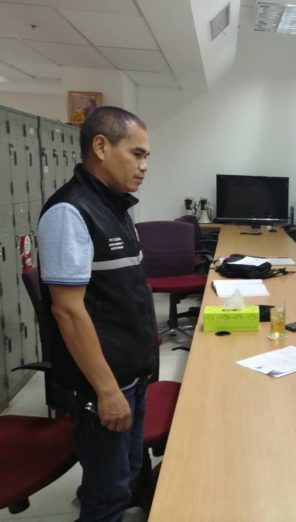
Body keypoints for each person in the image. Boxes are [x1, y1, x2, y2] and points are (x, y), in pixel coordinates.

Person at [36, 106, 155, 521]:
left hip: (131, 373)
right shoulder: (71, 212)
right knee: (108, 496)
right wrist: (106, 392)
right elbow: (68, 312)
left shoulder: (115, 207)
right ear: (101, 147)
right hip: (104, 383)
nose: (144, 166)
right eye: (137, 154)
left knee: (127, 475)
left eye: (146, 157)